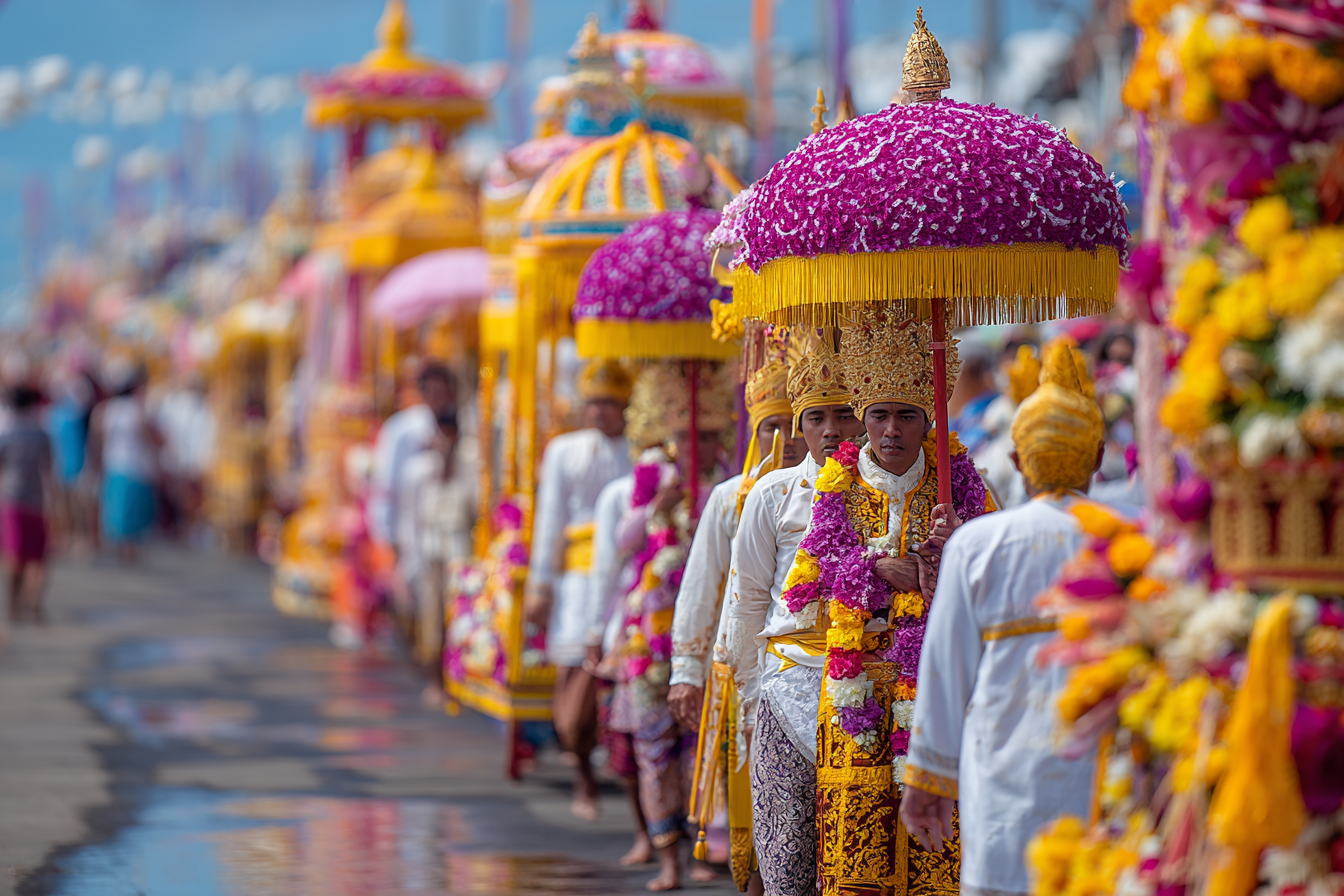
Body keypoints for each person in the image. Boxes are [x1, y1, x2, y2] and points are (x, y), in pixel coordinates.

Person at [750, 310, 997, 896]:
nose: (891, 431)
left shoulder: (962, 487)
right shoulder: (831, 486)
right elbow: (804, 587)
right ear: (863, 418)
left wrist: (953, 552)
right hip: (849, 692)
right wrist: (876, 568)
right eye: (879, 415)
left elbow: (992, 587)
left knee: (935, 854)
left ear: (927, 419)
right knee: (854, 855)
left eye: (906, 416)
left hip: (935, 692)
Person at [899, 339, 1107, 896]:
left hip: (1002, 772)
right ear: (1098, 458)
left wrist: (926, 777)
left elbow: (946, 672)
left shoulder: (977, 544)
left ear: (1016, 461)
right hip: (1101, 772)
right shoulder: (1129, 539)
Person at [723, 330, 866, 896]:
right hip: (786, 686)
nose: (830, 430)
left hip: (865, 690)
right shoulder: (773, 494)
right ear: (799, 425)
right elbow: (747, 599)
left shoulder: (886, 491)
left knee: (856, 867)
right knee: (786, 865)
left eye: (843, 415)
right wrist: (749, 696)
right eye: (815, 418)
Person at [670, 349, 801, 892]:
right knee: (758, 825)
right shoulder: (732, 498)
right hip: (744, 672)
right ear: (754, 431)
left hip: (807, 668)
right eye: (773, 427)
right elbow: (702, 585)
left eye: (798, 424)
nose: (787, 440)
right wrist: (686, 670)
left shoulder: (836, 491)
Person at [605, 361, 734, 892]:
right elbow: (623, 543)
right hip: (650, 639)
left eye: (706, 434)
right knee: (654, 748)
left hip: (708, 631)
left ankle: (701, 846)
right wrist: (660, 505)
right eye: (686, 434)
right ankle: (668, 861)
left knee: (702, 748)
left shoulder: (729, 478)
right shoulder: (653, 475)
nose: (696, 444)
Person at [523, 359, 635, 821]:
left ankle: (629, 782)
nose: (598, 411)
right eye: (592, 402)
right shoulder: (564, 451)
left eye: (608, 402)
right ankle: (583, 776)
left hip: (628, 576)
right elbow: (549, 519)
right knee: (574, 678)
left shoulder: (641, 451)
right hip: (577, 579)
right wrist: (540, 585)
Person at [367, 361, 457, 551]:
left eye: (442, 391)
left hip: (444, 529)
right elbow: (386, 481)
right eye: (433, 391)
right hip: (409, 530)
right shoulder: (401, 429)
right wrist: (386, 533)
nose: (438, 398)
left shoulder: (456, 425)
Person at [88, 365, 161, 561]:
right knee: (132, 508)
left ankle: (122, 545)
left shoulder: (107, 410)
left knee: (117, 506)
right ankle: (130, 547)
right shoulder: (135, 410)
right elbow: (146, 437)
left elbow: (98, 438)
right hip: (134, 465)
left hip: (114, 463)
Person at [0, 385, 54, 623]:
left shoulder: (6, 432)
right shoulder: (41, 434)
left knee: (14, 556)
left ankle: (13, 607)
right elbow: (50, 469)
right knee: (38, 557)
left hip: (11, 499)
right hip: (36, 501)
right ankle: (33, 604)